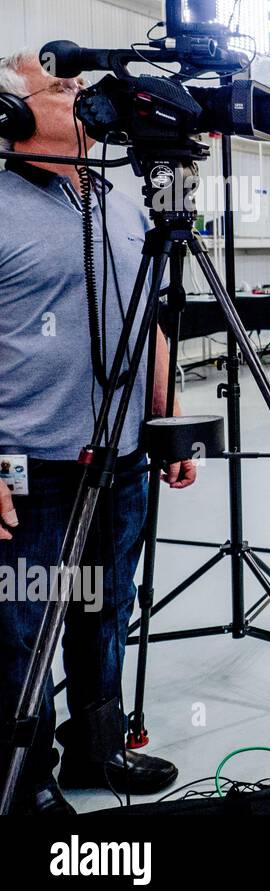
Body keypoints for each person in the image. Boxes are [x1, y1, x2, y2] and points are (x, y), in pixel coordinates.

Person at [0, 49, 197, 815]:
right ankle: (26, 780)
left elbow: (148, 313)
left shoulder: (117, 198)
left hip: (118, 455)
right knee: (20, 629)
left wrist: (164, 418)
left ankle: (99, 746)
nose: (78, 95)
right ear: (13, 115)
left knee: (106, 606)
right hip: (30, 463)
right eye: (56, 88)